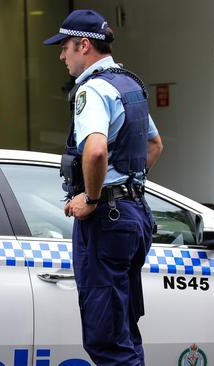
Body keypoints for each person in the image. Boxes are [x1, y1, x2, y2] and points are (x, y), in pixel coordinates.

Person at [44, 9, 163, 366]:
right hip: (134, 216)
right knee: (123, 329)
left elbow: (94, 151)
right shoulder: (129, 85)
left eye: (65, 47)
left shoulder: (92, 90)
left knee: (106, 340)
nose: (62, 55)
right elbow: (154, 145)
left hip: (107, 222)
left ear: (84, 45)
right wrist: (127, 184)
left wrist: (94, 197)